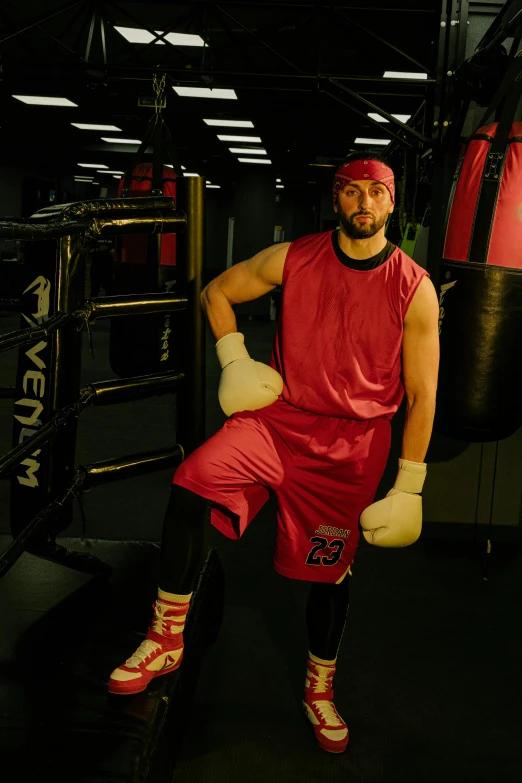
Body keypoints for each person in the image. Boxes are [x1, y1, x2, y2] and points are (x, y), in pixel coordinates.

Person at [108, 153, 440, 755]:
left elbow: (422, 396)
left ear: (392, 203)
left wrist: (408, 483)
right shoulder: (296, 257)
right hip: (279, 424)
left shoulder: (413, 289)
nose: (362, 203)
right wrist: (234, 356)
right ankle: (166, 635)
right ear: (334, 200)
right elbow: (217, 292)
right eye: (349, 192)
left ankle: (320, 689)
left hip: (352, 450)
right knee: (192, 480)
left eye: (375, 192)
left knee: (331, 572)